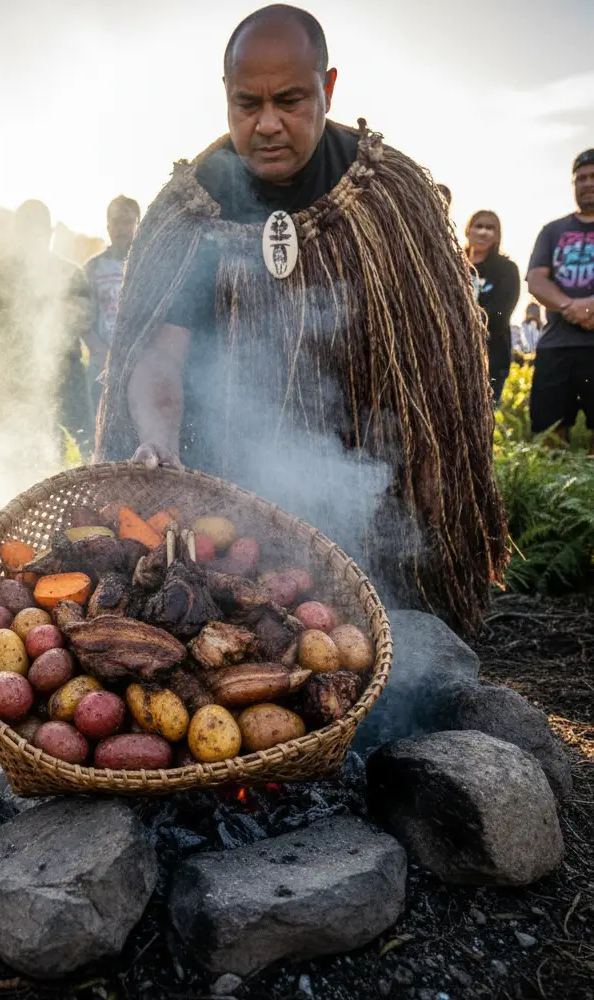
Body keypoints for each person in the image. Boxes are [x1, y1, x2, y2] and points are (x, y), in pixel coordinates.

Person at [96, 5, 505, 633]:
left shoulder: (386, 196)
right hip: (228, 493)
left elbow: (435, 378)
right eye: (245, 104)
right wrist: (159, 439)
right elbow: (160, 355)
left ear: (328, 87)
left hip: (363, 478)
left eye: (289, 101)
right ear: (226, 97)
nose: (266, 125)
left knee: (371, 631)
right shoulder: (194, 205)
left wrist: (427, 484)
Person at [0, 199, 92, 456]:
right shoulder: (2, 273)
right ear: (18, 230)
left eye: (39, 228)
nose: (33, 235)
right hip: (16, 374)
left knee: (83, 443)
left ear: (50, 231)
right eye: (27, 227)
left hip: (66, 373)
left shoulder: (70, 272)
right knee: (17, 445)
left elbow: (84, 318)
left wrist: (50, 310)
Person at [525, 149, 594, 448]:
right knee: (549, 429)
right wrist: (571, 306)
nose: (588, 183)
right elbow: (536, 280)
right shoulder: (552, 230)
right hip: (556, 344)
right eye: (581, 178)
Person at [84, 195, 141, 412]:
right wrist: (102, 355)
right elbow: (83, 321)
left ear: (138, 224)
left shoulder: (147, 267)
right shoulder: (93, 268)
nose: (121, 229)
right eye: (116, 222)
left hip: (140, 367)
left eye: (127, 222)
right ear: (107, 227)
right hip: (102, 366)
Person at [465, 210, 520, 406]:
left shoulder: (507, 269)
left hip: (492, 356)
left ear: (498, 235)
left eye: (490, 228)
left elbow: (500, 314)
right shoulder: (451, 264)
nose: (483, 232)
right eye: (478, 226)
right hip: (450, 354)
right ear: (467, 230)